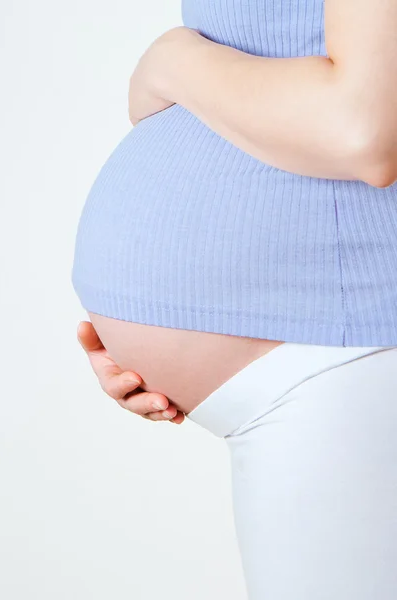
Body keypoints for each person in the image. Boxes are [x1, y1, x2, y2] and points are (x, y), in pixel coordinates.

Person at [72, 1, 397, 598]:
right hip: (329, 356)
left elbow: (361, 129)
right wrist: (154, 321)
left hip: (350, 350)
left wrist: (175, 60)